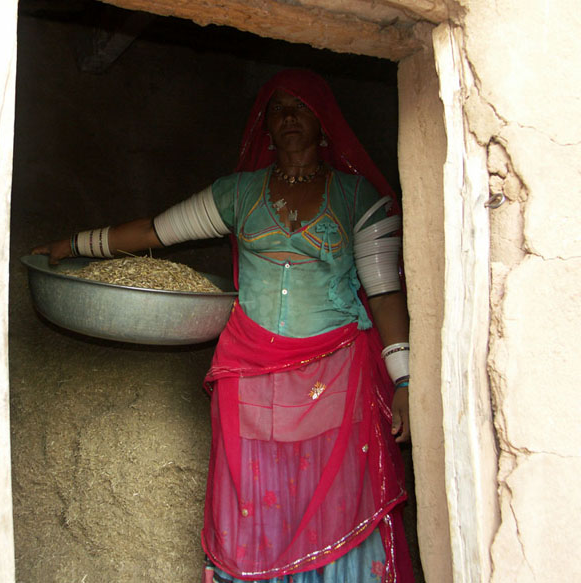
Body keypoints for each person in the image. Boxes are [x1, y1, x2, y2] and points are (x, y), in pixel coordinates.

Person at [32, 69, 414, 583]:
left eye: (300, 107)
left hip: (336, 375)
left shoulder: (357, 198)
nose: (289, 118)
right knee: (253, 495)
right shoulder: (239, 194)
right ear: (266, 126)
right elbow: (154, 231)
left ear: (323, 123)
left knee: (338, 495)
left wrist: (404, 380)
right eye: (278, 109)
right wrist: (73, 245)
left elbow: (385, 292)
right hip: (249, 371)